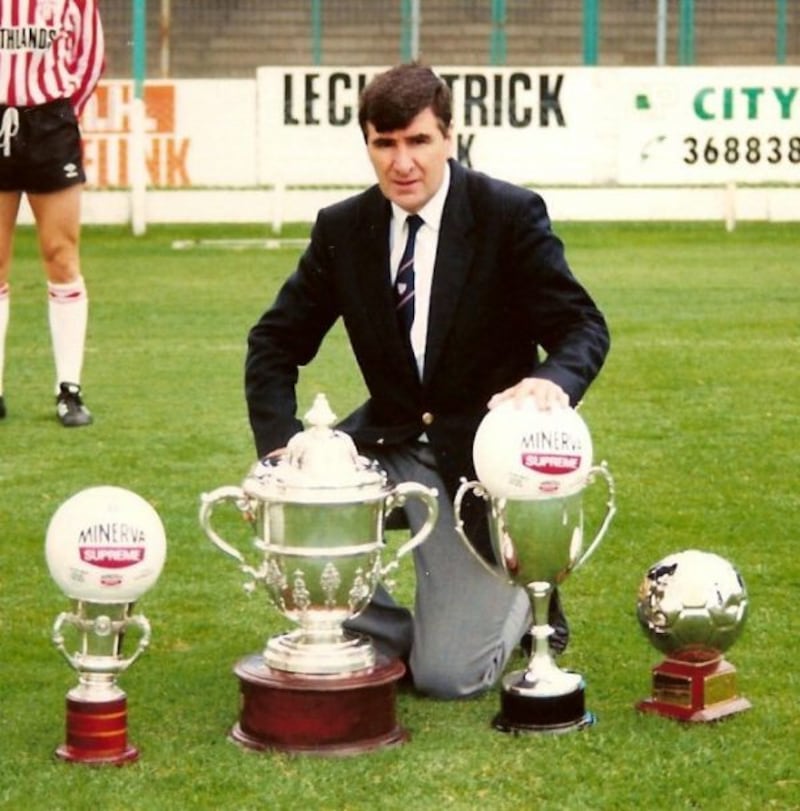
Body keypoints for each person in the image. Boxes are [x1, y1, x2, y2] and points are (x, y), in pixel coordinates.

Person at [245, 63, 610, 699]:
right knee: (289, 503)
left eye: (417, 141)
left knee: (446, 678)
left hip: (477, 462)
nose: (402, 162)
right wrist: (279, 450)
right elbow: (274, 342)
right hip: (386, 442)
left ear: (448, 136)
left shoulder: (507, 214)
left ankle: (526, 600)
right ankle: (381, 632)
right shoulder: (343, 228)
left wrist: (551, 380)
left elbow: (582, 326)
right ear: (368, 144)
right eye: (384, 144)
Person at [0, 0, 105, 426]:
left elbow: (90, 60)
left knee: (61, 256)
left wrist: (59, 116)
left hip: (50, 126)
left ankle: (69, 389)